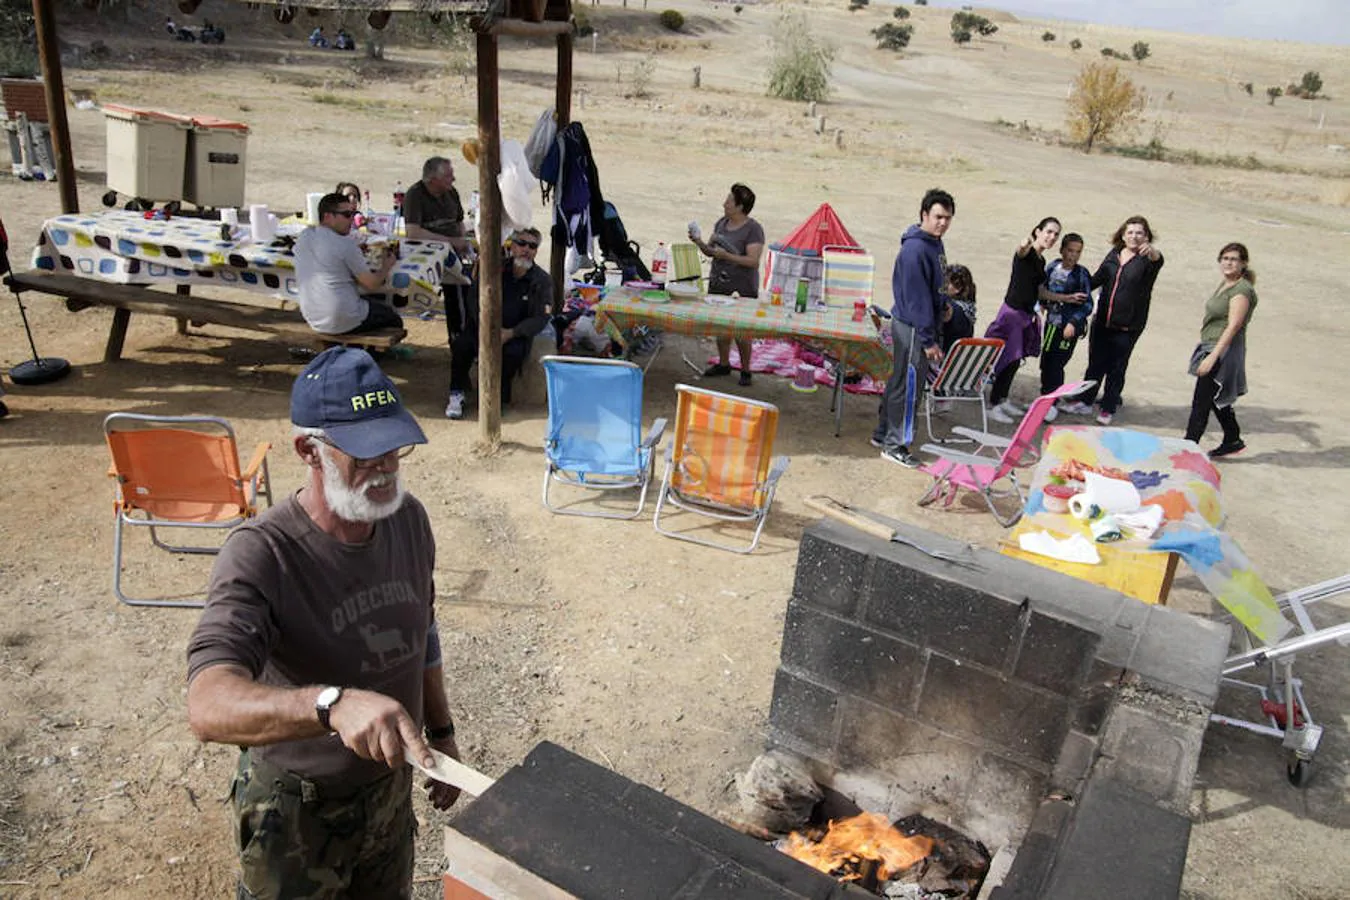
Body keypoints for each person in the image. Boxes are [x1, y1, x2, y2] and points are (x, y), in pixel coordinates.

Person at [186, 346, 461, 898]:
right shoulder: (263, 553)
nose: (385, 466)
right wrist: (331, 705)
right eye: (363, 452)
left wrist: (442, 731)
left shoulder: (407, 518)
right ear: (308, 450)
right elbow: (207, 703)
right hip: (295, 808)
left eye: (393, 447)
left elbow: (422, 631)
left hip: (388, 790)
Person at [872, 188, 954, 468]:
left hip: (918, 324)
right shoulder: (915, 249)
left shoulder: (934, 242)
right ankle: (895, 445)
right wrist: (929, 340)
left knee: (898, 383)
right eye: (938, 217)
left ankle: (883, 433)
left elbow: (933, 286)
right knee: (908, 388)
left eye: (948, 218)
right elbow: (917, 300)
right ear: (924, 215)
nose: (943, 223)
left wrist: (943, 304)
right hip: (913, 328)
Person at [1062, 215, 1164, 425]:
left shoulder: (1148, 260)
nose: (1134, 236)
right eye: (1130, 232)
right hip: (1103, 320)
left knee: (1117, 367)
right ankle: (1085, 400)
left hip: (1128, 326)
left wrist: (1153, 252)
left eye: (1139, 233)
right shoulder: (1114, 254)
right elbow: (1097, 279)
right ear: (1123, 235)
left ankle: (1108, 407)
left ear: (1146, 236)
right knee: (1095, 363)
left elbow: (1158, 258)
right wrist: (1071, 287)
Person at [445, 227, 553, 419]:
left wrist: (511, 333)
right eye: (521, 244)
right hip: (482, 326)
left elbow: (541, 317)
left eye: (532, 246)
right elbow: (473, 298)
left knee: (512, 354)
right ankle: (456, 393)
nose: (526, 249)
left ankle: (498, 399)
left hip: (514, 333)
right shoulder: (494, 269)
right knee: (461, 346)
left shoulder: (542, 280)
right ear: (512, 246)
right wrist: (485, 327)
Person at [1184, 243, 1257, 458]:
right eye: (1225, 258)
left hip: (1222, 350)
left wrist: (1212, 357)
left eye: (1234, 259)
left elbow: (1233, 326)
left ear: (1243, 263)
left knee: (1202, 400)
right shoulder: (1226, 284)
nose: (1228, 262)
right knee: (1217, 396)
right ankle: (1233, 439)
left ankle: (1188, 447)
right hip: (1213, 345)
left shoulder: (1241, 290)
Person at [985, 217, 1059, 424]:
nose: (1051, 237)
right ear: (1037, 231)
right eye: (1049, 232)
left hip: (1025, 315)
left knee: (1016, 360)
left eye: (1055, 234)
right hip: (1011, 314)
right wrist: (1023, 244)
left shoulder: (1041, 261)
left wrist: (1065, 298)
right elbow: (1021, 251)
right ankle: (994, 404)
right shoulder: (1026, 256)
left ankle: (1003, 398)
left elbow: (1040, 291)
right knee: (1007, 359)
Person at [691, 183, 766, 387]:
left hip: (742, 287)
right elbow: (711, 252)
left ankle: (746, 370)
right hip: (719, 283)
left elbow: (753, 261)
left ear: (740, 206)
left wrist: (727, 256)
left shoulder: (753, 230)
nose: (725, 203)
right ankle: (724, 364)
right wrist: (698, 242)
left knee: (742, 330)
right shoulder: (721, 224)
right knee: (721, 327)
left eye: (729, 201)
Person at [294, 192, 400, 335]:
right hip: (341, 319)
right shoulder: (345, 244)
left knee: (368, 303)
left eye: (353, 213)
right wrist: (387, 265)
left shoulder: (305, 236)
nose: (352, 219)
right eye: (346, 215)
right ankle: (367, 355)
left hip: (313, 317)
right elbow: (372, 285)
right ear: (327, 216)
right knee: (394, 319)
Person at [403, 156, 474, 341]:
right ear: (433, 179)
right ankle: (459, 337)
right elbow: (413, 232)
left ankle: (465, 335)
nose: (454, 179)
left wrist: (463, 241)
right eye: (449, 175)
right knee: (459, 287)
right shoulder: (415, 195)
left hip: (454, 251)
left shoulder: (451, 193)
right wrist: (450, 241)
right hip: (428, 255)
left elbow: (459, 222)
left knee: (469, 287)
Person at [1037, 232, 1094, 415]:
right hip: (1051, 324)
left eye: (1078, 252)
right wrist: (1041, 307)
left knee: (1057, 363)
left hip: (1066, 328)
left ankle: (1052, 404)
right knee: (1046, 361)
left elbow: (1087, 304)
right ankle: (1044, 398)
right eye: (1070, 250)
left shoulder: (1081, 274)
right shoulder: (1052, 267)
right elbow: (1042, 289)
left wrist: (1073, 322)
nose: (1073, 255)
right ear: (1062, 250)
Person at [940, 263, 976, 353]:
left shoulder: (952, 309)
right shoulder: (968, 311)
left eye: (945, 283)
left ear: (958, 288)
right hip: (958, 361)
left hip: (942, 362)